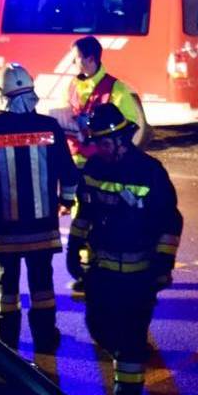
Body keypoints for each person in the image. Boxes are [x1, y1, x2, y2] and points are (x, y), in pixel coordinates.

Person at [71, 104, 182, 395]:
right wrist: (74, 245)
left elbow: (170, 222)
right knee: (100, 329)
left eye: (104, 143)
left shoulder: (150, 171)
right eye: (97, 143)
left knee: (131, 340)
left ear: (121, 140)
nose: (99, 149)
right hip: (102, 273)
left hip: (139, 276)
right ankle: (125, 361)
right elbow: (85, 213)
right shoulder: (93, 168)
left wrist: (163, 264)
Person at [0, 63, 79, 381]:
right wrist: (66, 201)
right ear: (31, 91)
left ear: (1, 94)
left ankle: (6, 340)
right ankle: (45, 336)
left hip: (4, 228)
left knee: (7, 286)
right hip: (42, 227)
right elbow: (68, 173)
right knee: (42, 285)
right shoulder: (49, 127)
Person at [66, 34, 148, 298]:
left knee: (105, 215)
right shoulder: (73, 85)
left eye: (76, 58)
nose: (73, 63)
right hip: (79, 160)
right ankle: (86, 267)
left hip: (103, 163)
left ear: (90, 59)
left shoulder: (116, 89)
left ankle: (104, 268)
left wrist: (117, 158)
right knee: (83, 215)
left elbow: (132, 126)